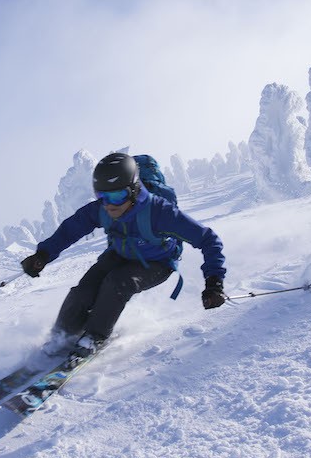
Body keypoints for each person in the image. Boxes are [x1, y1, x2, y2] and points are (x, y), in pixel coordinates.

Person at [21, 152, 227, 357]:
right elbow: (72, 228)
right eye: (103, 196)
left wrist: (214, 281)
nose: (110, 205)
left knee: (117, 283)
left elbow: (208, 239)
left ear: (134, 190)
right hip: (120, 254)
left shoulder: (160, 212)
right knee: (83, 291)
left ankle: (94, 336)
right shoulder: (101, 209)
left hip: (157, 262)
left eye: (117, 196)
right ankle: (61, 336)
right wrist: (43, 255)